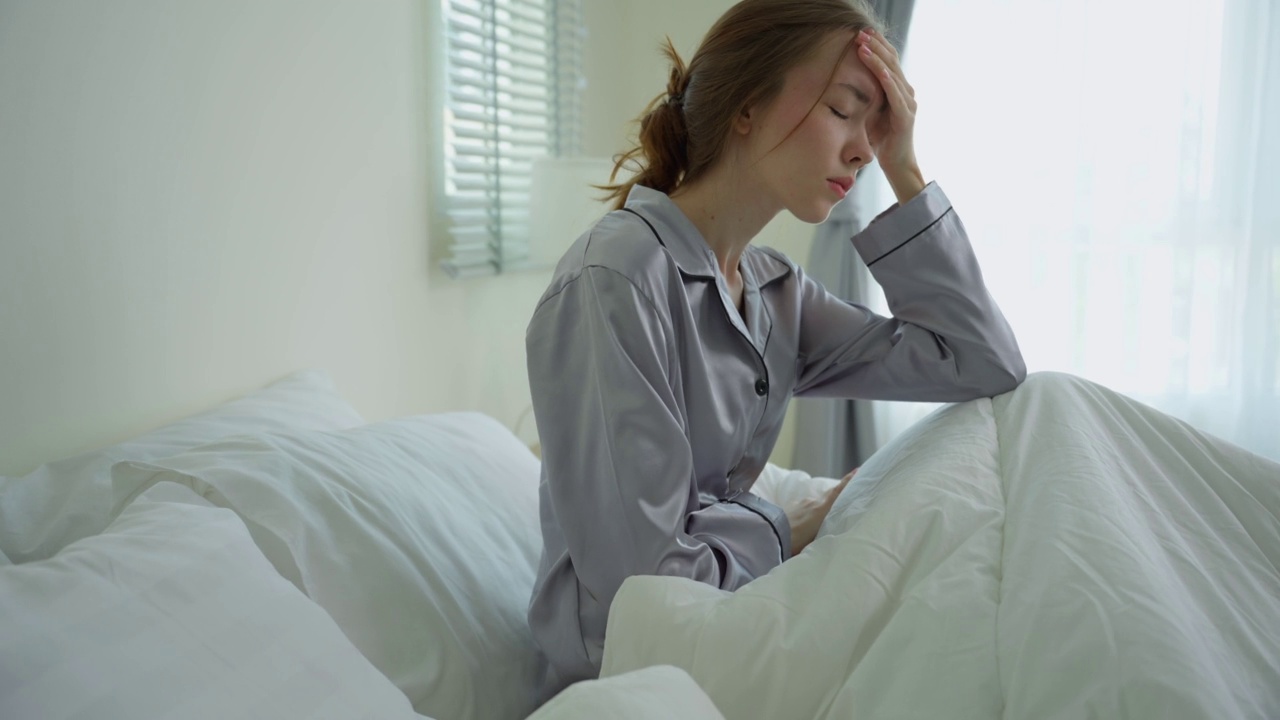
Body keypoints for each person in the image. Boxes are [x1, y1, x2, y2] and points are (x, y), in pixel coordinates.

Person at [524, 0, 1026, 702]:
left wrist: (906, 167)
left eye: (876, 126)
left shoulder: (774, 291)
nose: (862, 149)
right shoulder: (614, 281)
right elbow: (644, 586)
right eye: (846, 111)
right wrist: (794, 526)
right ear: (746, 107)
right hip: (630, 678)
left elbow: (983, 363)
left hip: (729, 625)